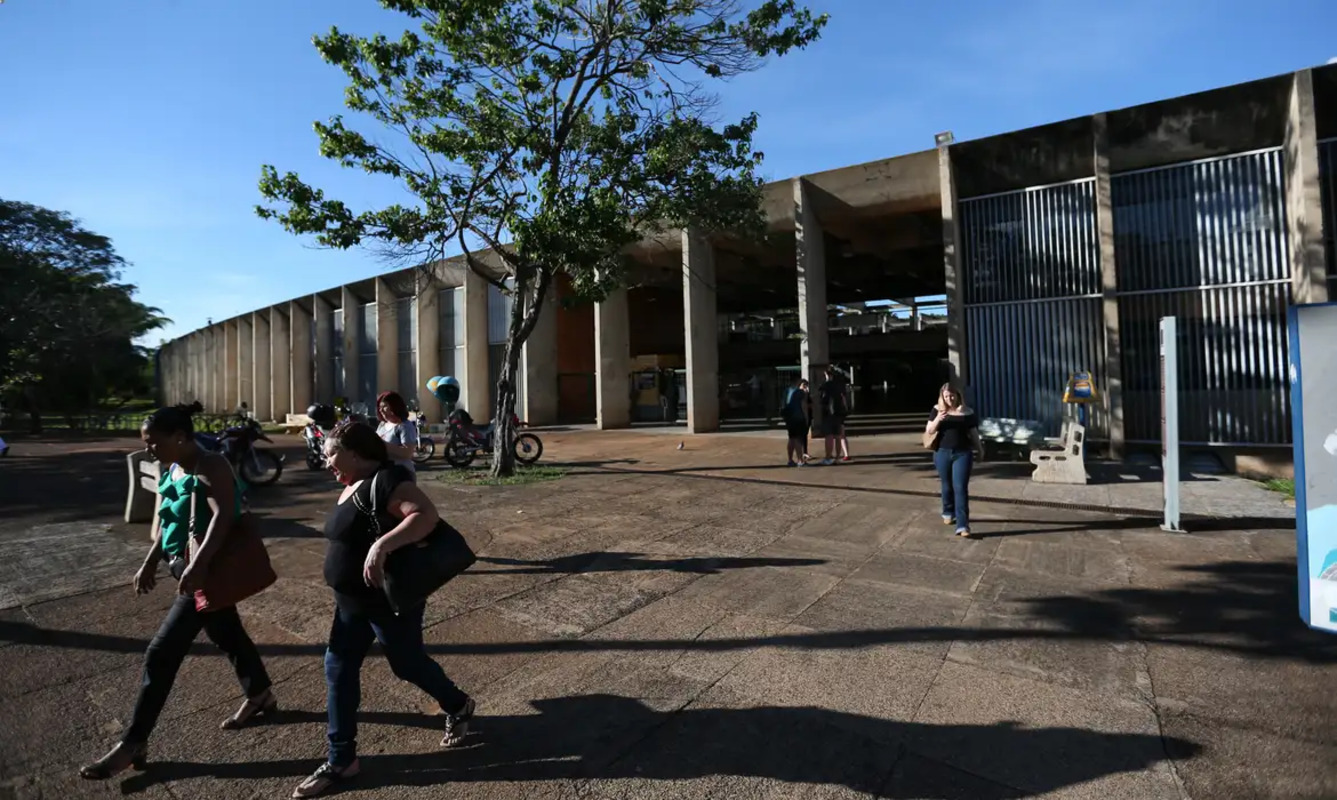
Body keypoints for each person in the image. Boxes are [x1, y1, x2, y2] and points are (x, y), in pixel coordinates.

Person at [80, 404, 275, 780]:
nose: (149, 450)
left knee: (160, 654)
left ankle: (134, 742)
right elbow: (170, 518)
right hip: (183, 565)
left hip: (203, 571)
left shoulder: (211, 465)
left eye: (154, 443)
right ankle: (261, 694)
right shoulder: (174, 466)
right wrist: (150, 561)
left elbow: (224, 515)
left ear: (181, 437)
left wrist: (198, 565)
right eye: (146, 443)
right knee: (227, 634)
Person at [293, 421, 475, 798]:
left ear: (355, 453)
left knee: (407, 664)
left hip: (386, 602)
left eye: (331, 455)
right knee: (338, 669)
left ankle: (458, 704)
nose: (327, 463)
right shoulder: (351, 483)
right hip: (350, 604)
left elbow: (425, 515)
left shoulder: (388, 481)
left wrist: (381, 546)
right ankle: (341, 759)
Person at [925, 383, 980, 538]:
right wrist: (938, 418)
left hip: (962, 453)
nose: (949, 399)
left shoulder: (967, 412)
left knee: (960, 487)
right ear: (942, 397)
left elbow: (974, 433)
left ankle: (963, 525)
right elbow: (929, 430)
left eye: (952, 396)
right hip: (942, 453)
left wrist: (980, 449)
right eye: (946, 396)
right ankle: (948, 511)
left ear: (958, 395)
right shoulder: (937, 410)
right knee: (947, 485)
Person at [375, 390, 420, 476]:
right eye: (380, 407)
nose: (381, 410)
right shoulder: (382, 425)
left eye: (384, 406)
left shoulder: (404, 426)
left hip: (400, 474)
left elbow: (407, 453)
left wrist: (382, 445)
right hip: (383, 472)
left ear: (395, 406)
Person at [817, 365, 851, 465]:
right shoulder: (840, 385)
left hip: (828, 413)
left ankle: (828, 457)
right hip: (839, 413)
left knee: (829, 436)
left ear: (827, 374)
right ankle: (837, 457)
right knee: (838, 435)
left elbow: (822, 399)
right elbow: (843, 398)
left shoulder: (825, 386)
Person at [782, 378, 812, 466]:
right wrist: (806, 418)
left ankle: (790, 460)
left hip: (789, 418)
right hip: (798, 417)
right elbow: (804, 406)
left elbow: (784, 404)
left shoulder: (787, 391)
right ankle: (800, 460)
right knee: (798, 439)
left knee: (791, 438)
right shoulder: (800, 393)